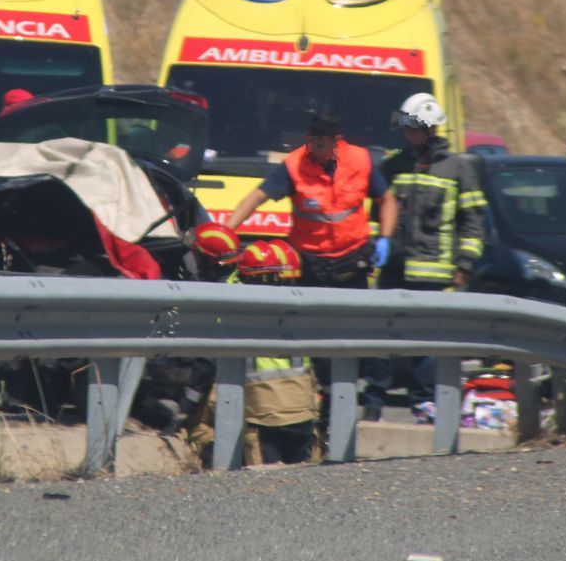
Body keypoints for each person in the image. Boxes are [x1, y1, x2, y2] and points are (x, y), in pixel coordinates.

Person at [363, 92, 486, 422]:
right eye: (406, 128)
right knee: (382, 338)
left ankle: (423, 403)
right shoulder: (394, 165)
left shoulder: (459, 170)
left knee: (425, 343)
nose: (408, 134)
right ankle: (373, 401)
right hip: (393, 269)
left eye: (414, 128)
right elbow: (377, 210)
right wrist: (376, 243)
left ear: (431, 129)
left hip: (434, 274)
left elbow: (473, 222)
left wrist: (465, 265)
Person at [223, 112, 396, 290]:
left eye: (322, 140)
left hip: (352, 265)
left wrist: (385, 238)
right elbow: (257, 197)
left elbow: (387, 200)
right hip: (309, 267)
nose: (315, 146)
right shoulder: (294, 165)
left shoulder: (360, 160)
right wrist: (225, 233)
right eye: (312, 139)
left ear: (336, 139)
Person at [185, 239, 319, 466]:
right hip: (300, 409)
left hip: (262, 413)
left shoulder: (237, 303)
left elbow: (208, 358)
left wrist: (188, 403)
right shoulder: (301, 305)